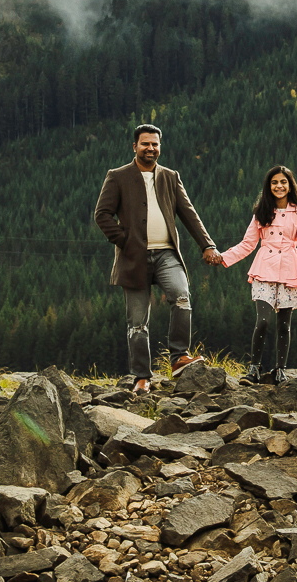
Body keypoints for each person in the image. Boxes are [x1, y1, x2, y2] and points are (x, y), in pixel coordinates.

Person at [93, 124, 221, 395]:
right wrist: (125, 240)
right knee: (137, 322)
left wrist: (207, 244)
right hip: (133, 258)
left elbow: (189, 213)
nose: (150, 148)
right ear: (134, 147)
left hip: (166, 254)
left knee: (181, 295)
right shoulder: (117, 177)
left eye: (155, 144)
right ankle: (141, 377)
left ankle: (179, 358)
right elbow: (102, 215)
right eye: (145, 144)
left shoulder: (170, 177)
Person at [215, 165, 297, 384]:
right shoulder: (261, 211)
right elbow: (248, 244)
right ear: (268, 186)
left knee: (284, 325)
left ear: (290, 185)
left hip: (291, 269)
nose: (279, 186)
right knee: (262, 321)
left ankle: (280, 369)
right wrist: (223, 257)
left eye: (283, 182)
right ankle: (254, 368)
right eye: (274, 182)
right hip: (264, 269)